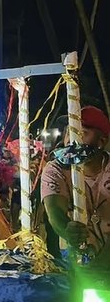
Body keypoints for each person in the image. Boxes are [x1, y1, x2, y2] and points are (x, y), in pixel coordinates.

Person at [41, 105, 110, 269]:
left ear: (102, 141)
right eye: (68, 131)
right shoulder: (55, 169)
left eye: (82, 133)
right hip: (73, 262)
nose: (71, 139)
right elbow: (55, 211)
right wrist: (67, 229)